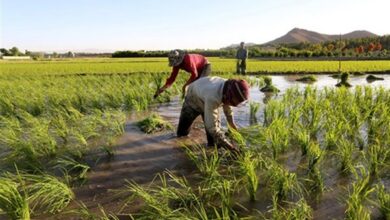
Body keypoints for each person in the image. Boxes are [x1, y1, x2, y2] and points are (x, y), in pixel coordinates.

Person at [177, 76, 250, 153]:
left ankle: (211, 151)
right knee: (182, 134)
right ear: (227, 96)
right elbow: (213, 129)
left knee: (214, 143)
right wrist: (231, 148)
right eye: (233, 102)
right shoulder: (214, 97)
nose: (233, 105)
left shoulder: (229, 87)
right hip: (193, 98)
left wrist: (232, 124)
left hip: (206, 94)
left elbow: (228, 106)